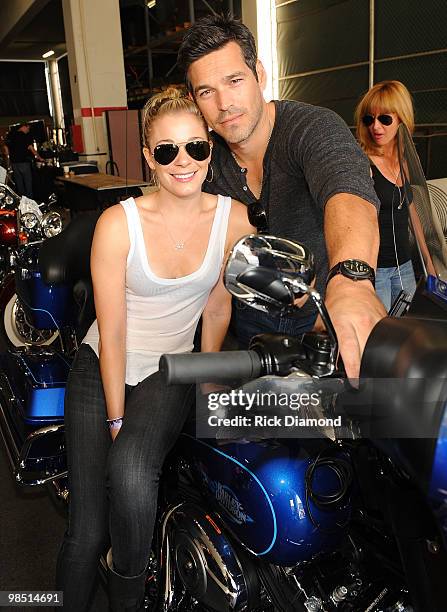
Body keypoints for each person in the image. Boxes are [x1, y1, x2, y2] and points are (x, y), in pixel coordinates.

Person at [56, 88, 254, 612]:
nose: (182, 162)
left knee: (129, 472)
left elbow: (217, 308)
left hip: (169, 367)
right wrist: (116, 421)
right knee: (87, 530)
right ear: (148, 156)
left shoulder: (234, 220)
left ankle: (128, 592)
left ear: (211, 148)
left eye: (195, 147)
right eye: (166, 151)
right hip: (102, 363)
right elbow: (114, 331)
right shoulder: (118, 223)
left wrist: (203, 378)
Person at [177, 14, 386, 380]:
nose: (224, 103)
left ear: (259, 74)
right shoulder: (203, 162)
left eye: (234, 81)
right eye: (207, 91)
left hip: (324, 325)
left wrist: (350, 280)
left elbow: (347, 191)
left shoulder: (311, 128)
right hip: (252, 338)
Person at [355, 80, 436, 311]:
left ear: (402, 119)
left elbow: (412, 214)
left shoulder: (404, 161)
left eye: (385, 119)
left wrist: (429, 263)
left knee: (404, 330)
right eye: (369, 119)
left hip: (405, 267)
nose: (376, 127)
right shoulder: (364, 163)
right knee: (381, 335)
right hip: (377, 269)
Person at [4, 122, 43, 198]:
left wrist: (8, 161)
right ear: (24, 127)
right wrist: (39, 157)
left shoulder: (11, 135)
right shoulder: (25, 136)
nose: (28, 130)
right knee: (28, 183)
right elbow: (31, 148)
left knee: (19, 184)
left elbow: (6, 148)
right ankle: (29, 201)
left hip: (14, 163)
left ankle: (21, 200)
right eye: (28, 128)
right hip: (24, 162)